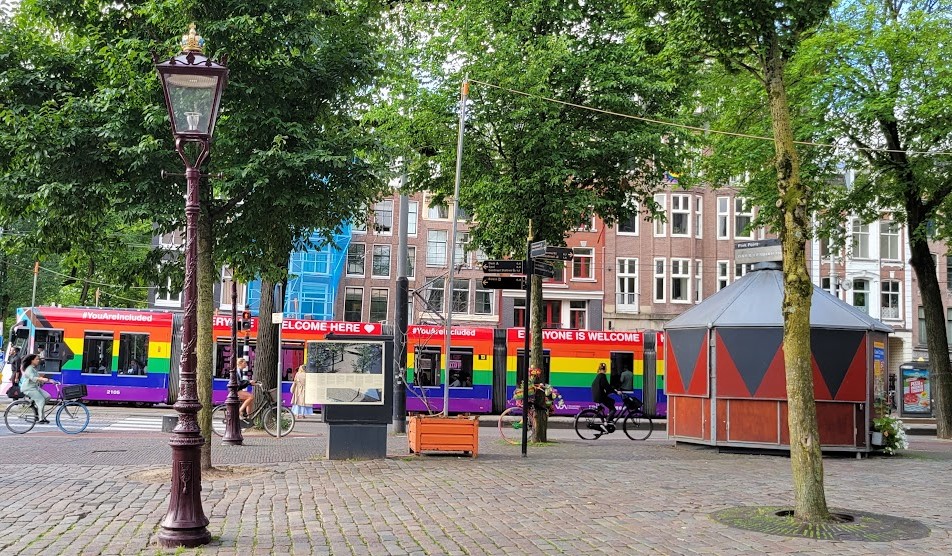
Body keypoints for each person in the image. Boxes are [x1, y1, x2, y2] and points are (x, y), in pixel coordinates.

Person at [20, 354, 54, 423]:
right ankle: (41, 418)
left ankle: (38, 407)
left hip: (35, 387)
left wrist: (49, 380)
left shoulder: (33, 368)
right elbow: (33, 378)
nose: (38, 361)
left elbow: (38, 377)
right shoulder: (29, 368)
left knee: (47, 397)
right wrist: (43, 379)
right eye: (37, 359)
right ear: (32, 360)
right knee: (41, 400)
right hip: (28, 388)